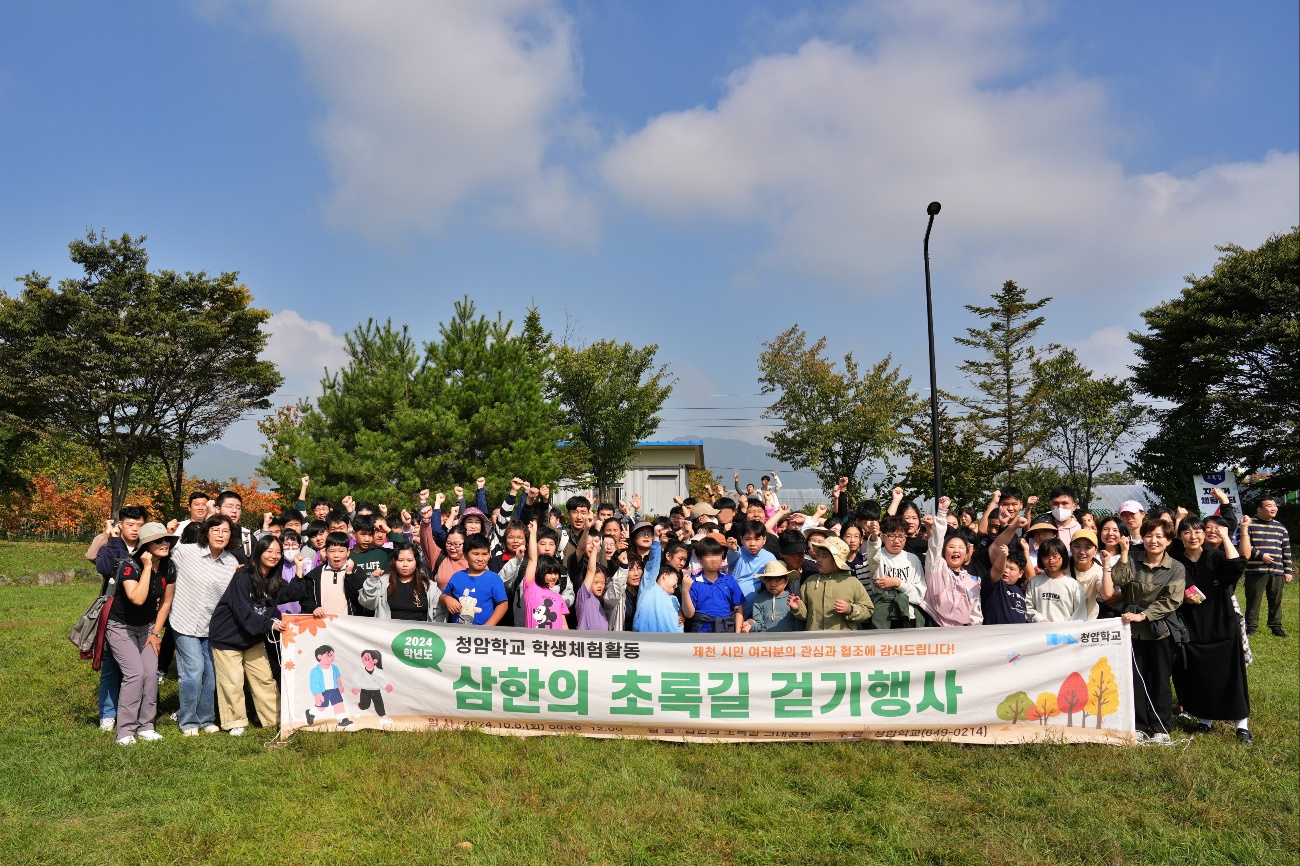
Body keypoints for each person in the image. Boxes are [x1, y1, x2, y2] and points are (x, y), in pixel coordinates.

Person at [208, 535, 318, 736]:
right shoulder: (243, 577)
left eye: (278, 552)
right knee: (232, 681)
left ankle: (273, 718)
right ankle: (235, 721)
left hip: (254, 636)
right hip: (228, 636)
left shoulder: (274, 579)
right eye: (269, 551)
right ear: (259, 553)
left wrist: (300, 572)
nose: (274, 556)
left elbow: (290, 594)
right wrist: (270, 624)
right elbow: (243, 612)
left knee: (264, 679)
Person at [1102, 519, 1186, 743]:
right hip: (1131, 629)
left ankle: (1161, 727)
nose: (1153, 541)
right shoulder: (1131, 558)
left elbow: (1173, 600)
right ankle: (1138, 725)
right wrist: (1123, 553)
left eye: (1159, 536)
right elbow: (1118, 580)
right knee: (1135, 678)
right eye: (1149, 536)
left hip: (1160, 630)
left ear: (1168, 541)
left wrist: (1145, 615)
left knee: (1160, 678)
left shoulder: (1175, 567)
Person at [1170, 516, 1252, 743]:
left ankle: (1241, 726)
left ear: (1204, 535)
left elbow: (1236, 566)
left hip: (1222, 625)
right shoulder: (1176, 562)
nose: (1193, 537)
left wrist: (1226, 536)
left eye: (1198, 532)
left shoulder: (1216, 557)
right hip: (1193, 627)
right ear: (1180, 537)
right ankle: (1204, 722)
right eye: (1187, 533)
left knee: (1232, 677)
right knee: (1199, 676)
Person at [169, 514, 241, 736]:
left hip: (212, 627)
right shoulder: (185, 552)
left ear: (231, 535)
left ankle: (206, 718)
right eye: (216, 530)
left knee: (210, 673)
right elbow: (162, 565)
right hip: (183, 621)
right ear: (206, 533)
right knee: (193, 671)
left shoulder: (231, 563)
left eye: (225, 531)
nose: (220, 535)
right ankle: (188, 720)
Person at [104, 522, 176, 745]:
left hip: (147, 627)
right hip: (120, 626)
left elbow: (166, 602)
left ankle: (146, 725)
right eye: (159, 540)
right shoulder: (129, 566)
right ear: (145, 545)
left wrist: (156, 633)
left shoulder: (169, 566)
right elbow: (137, 597)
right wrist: (146, 567)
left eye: (166, 540)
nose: (165, 543)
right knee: (134, 673)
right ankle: (125, 731)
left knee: (150, 673)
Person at [87, 505, 147, 731]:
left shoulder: (146, 547)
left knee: (142, 667)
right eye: (130, 525)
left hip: (142, 616)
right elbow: (103, 567)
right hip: (115, 614)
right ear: (120, 525)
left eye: (139, 526)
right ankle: (108, 713)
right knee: (112, 665)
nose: (135, 530)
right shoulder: (113, 545)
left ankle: (138, 710)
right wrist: (112, 541)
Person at [792, 536, 872, 630]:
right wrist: (797, 608)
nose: (819, 559)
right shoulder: (810, 582)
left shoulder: (852, 582)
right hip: (816, 641)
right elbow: (806, 615)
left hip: (842, 641)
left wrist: (849, 609)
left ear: (836, 561)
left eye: (824, 556)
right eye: (818, 555)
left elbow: (868, 610)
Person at [919, 499, 976, 627]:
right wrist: (942, 512)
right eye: (951, 547)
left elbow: (975, 614)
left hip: (962, 635)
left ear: (966, 553)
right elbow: (935, 543)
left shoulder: (971, 582)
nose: (956, 550)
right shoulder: (936, 568)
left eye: (961, 547)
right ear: (944, 551)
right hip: (936, 627)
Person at [1242, 495, 1293, 637]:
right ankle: (1251, 627)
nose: (1274, 508)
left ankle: (1276, 626)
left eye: (1275, 505)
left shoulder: (1280, 527)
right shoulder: (1248, 524)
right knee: (1253, 599)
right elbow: (1243, 545)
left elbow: (1286, 551)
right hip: (1255, 570)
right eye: (1269, 505)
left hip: (1276, 570)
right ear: (1259, 509)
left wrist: (1288, 571)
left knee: (1276, 600)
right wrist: (1260, 555)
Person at [865, 515, 927, 628]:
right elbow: (873, 554)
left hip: (907, 615)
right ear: (883, 537)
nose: (897, 541)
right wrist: (874, 536)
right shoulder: (878, 556)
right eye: (892, 536)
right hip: (882, 616)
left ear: (906, 538)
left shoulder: (913, 559)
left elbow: (919, 594)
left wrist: (897, 583)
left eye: (901, 536)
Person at [358, 542, 439, 621]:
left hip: (420, 633)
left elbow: (439, 612)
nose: (405, 564)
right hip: (389, 633)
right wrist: (372, 581)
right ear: (394, 562)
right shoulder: (383, 583)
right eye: (400, 560)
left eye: (409, 560)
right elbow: (367, 603)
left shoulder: (429, 586)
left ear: (416, 562)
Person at [439, 534, 508, 626]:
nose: (480, 559)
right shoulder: (457, 577)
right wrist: (447, 599)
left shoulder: (494, 579)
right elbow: (442, 597)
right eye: (475, 554)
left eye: (484, 554)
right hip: (458, 635)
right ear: (466, 555)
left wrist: (489, 626)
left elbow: (503, 604)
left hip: (484, 635)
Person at [683, 535, 744, 633]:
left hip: (726, 631)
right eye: (709, 555)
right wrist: (685, 592)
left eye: (717, 555)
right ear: (699, 558)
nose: (714, 559)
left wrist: (737, 633)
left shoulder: (729, 580)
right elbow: (689, 614)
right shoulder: (693, 582)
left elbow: (738, 608)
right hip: (701, 632)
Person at [982, 517, 1033, 625]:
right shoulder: (994, 584)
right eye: (1005, 566)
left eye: (1012, 569)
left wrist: (1026, 550)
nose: (1006, 571)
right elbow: (997, 569)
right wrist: (1002, 556)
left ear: (1020, 574)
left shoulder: (1023, 590)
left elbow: (1033, 580)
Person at [520, 520, 570, 629]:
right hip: (534, 644)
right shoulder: (531, 587)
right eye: (549, 573)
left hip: (555, 645)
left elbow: (564, 624)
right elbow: (533, 559)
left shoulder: (558, 597)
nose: (554, 576)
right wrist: (533, 533)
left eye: (556, 573)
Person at [1024, 537, 1087, 622]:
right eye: (1046, 556)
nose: (1051, 561)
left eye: (1055, 556)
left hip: (1066, 633)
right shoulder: (1034, 582)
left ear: (1063, 556)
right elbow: (1028, 607)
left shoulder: (1073, 585)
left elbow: (1080, 615)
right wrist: (1040, 620)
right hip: (1039, 632)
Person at [726, 520, 777, 617]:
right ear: (741, 539)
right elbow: (733, 552)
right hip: (731, 606)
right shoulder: (737, 553)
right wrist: (732, 548)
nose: (752, 543)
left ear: (764, 540)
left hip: (756, 610)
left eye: (757, 539)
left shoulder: (770, 558)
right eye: (748, 539)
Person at [742, 561, 801, 632]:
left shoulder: (792, 599)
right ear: (764, 581)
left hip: (787, 641)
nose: (773, 584)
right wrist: (751, 625)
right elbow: (758, 624)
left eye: (777, 580)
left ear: (786, 580)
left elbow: (798, 624)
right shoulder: (760, 599)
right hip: (765, 641)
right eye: (768, 580)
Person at [575, 536, 611, 631]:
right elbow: (591, 571)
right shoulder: (584, 597)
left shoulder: (599, 602)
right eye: (596, 582)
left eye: (603, 583)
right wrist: (595, 549)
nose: (600, 586)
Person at [1068, 529, 1104, 620]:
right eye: (1077, 546)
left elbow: (1106, 594)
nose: (1082, 552)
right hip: (1063, 623)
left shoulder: (1099, 571)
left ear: (1096, 549)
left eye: (1087, 547)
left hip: (1088, 625)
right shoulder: (1061, 567)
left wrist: (1106, 565)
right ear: (1070, 548)